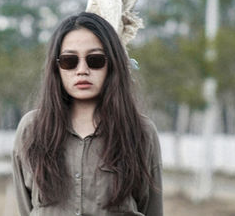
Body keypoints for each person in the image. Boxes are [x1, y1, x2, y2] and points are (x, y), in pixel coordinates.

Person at [12, 12, 163, 216]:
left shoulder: (140, 132)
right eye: (69, 61)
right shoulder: (31, 129)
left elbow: (152, 209)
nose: (82, 70)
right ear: (56, 67)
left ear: (112, 64)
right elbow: (24, 207)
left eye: (95, 60)